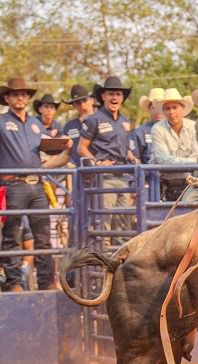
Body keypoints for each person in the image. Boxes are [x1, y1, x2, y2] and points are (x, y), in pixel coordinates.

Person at [0, 77, 71, 292]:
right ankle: (13, 283)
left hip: (37, 183)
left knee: (43, 237)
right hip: (12, 184)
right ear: (7, 98)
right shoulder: (2, 122)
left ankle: (47, 282)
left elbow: (51, 149)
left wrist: (66, 147)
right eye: (15, 94)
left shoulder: (35, 123)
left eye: (24, 94)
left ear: (28, 98)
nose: (20, 97)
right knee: (12, 234)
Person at [77, 75, 137, 240]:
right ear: (103, 96)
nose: (115, 97)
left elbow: (125, 149)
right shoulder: (94, 120)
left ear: (122, 97)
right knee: (104, 222)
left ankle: (121, 263)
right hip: (105, 177)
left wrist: (132, 157)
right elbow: (81, 148)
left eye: (118, 94)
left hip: (124, 176)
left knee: (124, 223)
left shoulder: (125, 121)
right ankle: (102, 262)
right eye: (111, 94)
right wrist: (97, 163)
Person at [150, 88, 198, 201]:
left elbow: (197, 155)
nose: (171, 112)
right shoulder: (157, 129)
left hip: (190, 181)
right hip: (163, 182)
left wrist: (175, 164)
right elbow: (162, 159)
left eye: (174, 107)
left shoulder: (194, 127)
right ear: (164, 111)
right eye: (167, 108)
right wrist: (189, 163)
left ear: (183, 109)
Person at [62, 84, 95, 167]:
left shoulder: (102, 121)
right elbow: (66, 154)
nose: (82, 105)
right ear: (74, 105)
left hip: (100, 172)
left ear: (92, 100)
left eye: (84, 100)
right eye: (78, 103)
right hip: (77, 174)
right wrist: (44, 167)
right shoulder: (69, 126)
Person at [132, 88, 165, 165]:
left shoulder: (176, 130)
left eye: (161, 108)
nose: (158, 112)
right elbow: (135, 159)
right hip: (149, 174)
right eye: (154, 108)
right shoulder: (140, 132)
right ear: (149, 109)